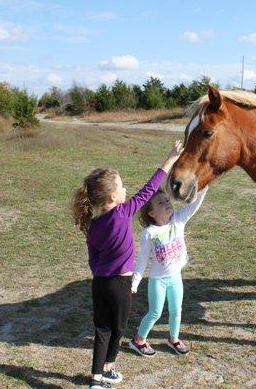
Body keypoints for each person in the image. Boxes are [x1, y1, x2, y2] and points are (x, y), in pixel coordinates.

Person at [72, 141, 183, 389]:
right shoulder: (123, 212)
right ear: (113, 196)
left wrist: (101, 274)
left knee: (102, 330)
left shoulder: (93, 224)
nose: (126, 189)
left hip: (100, 284)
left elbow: (93, 258)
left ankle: (96, 379)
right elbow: (149, 188)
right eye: (122, 186)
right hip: (120, 285)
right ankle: (108, 367)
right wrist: (171, 159)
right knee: (118, 328)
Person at [129, 186, 208, 357]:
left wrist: (202, 190)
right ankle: (138, 340)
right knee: (155, 312)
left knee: (176, 310)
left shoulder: (178, 220)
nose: (166, 203)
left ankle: (174, 339)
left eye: (167, 200)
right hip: (158, 280)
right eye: (160, 202)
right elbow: (142, 260)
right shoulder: (149, 233)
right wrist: (134, 283)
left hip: (175, 277)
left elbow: (193, 207)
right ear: (151, 213)